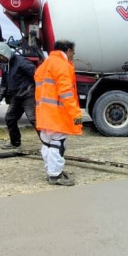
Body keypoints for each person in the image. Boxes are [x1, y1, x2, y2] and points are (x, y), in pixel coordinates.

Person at [34, 39, 83, 186]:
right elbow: (66, 92)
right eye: (73, 52)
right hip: (56, 115)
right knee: (58, 144)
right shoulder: (62, 65)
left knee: (47, 144)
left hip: (43, 114)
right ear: (68, 50)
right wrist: (76, 114)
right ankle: (55, 175)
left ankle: (51, 171)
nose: (73, 55)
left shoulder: (43, 66)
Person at [0, 42, 37, 150]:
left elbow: (37, 74)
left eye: (1, 56)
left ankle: (49, 144)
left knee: (34, 119)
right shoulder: (4, 67)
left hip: (28, 95)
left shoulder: (21, 62)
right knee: (10, 118)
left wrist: (37, 89)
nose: (0, 59)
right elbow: (4, 84)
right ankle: (15, 142)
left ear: (6, 53)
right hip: (17, 97)